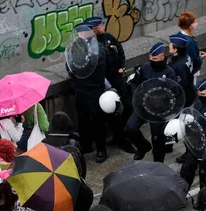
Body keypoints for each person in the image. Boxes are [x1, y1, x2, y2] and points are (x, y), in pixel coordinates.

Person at [43, 112, 91, 211]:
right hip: (71, 183)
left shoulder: (44, 143)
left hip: (52, 182)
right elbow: (82, 165)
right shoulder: (73, 142)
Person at [90, 16, 136, 155]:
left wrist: (121, 66)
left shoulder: (109, 38)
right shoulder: (91, 45)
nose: (103, 26)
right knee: (105, 119)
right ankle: (107, 147)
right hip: (103, 88)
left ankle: (120, 137)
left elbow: (120, 51)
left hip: (118, 82)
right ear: (94, 29)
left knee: (128, 108)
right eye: (100, 25)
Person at [126, 42, 176, 162]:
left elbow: (174, 94)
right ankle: (143, 146)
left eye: (154, 58)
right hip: (143, 105)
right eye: (150, 58)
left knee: (157, 139)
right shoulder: (144, 68)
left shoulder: (169, 73)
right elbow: (134, 83)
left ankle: (158, 162)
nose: (151, 60)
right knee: (130, 127)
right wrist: (137, 95)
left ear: (162, 57)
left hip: (158, 111)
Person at [69, 18, 109, 163]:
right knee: (82, 119)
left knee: (98, 121)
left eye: (81, 34)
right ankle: (86, 145)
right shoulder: (76, 48)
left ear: (88, 34)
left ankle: (101, 149)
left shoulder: (99, 48)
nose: (79, 36)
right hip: (80, 89)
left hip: (95, 90)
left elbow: (96, 63)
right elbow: (70, 65)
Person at [179, 77, 206, 189]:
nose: (200, 96)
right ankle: (183, 191)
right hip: (194, 143)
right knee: (187, 170)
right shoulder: (198, 104)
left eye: (202, 94)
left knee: (204, 175)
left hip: (205, 147)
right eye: (199, 94)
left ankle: (203, 198)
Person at [168, 35, 197, 107]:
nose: (169, 46)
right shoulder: (186, 57)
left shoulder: (178, 66)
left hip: (183, 99)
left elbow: (180, 86)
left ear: (175, 50)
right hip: (190, 92)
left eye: (171, 45)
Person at [175, 12, 206, 76]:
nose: (196, 23)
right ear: (189, 25)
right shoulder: (190, 41)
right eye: (194, 22)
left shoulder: (179, 35)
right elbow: (194, 60)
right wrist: (201, 57)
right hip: (191, 71)